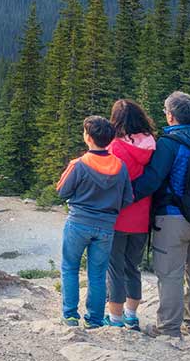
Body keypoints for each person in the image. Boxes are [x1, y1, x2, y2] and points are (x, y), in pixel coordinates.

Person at [130, 91, 190, 338]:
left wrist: (124, 196)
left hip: (172, 217)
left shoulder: (169, 143)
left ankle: (168, 329)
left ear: (170, 116)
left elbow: (153, 180)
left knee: (170, 274)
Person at [56, 115, 133, 328]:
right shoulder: (120, 166)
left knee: (70, 268)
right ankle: (95, 320)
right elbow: (127, 199)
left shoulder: (79, 164)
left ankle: (70, 316)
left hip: (78, 223)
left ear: (88, 138)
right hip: (106, 226)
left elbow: (62, 191)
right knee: (98, 274)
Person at [105, 99, 157, 331]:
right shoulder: (151, 144)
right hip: (142, 216)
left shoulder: (113, 146)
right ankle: (132, 316)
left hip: (117, 215)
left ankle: (115, 319)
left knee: (114, 267)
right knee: (132, 266)